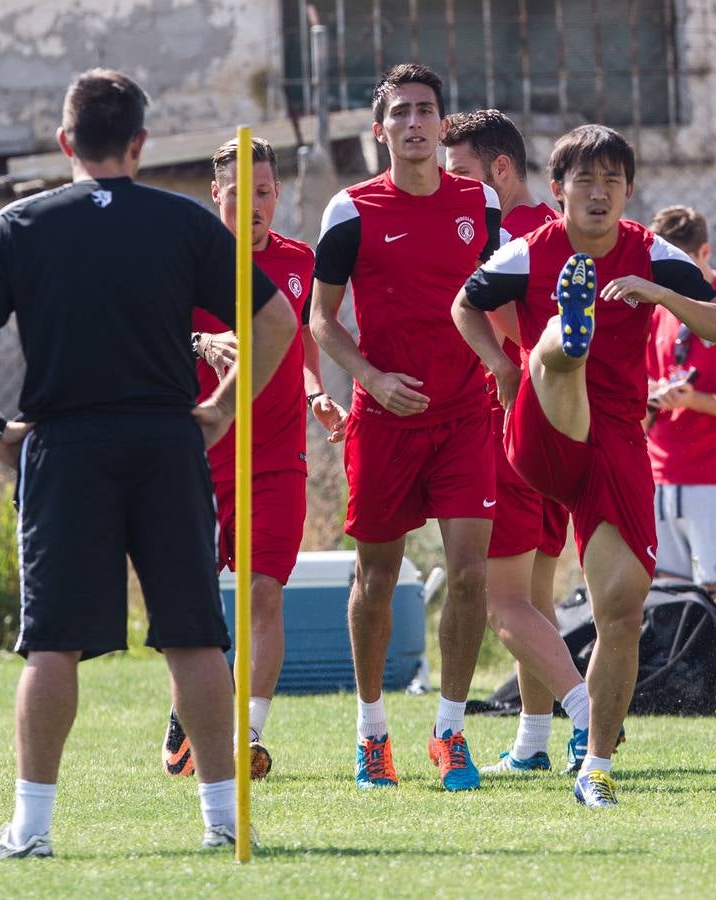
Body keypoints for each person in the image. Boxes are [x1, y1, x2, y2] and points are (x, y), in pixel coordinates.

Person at [0, 68, 297, 860]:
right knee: (194, 636)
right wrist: (222, 410)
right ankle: (225, 820)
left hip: (66, 448)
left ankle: (31, 830)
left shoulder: (20, 224)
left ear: (66, 143)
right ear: (139, 144)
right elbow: (276, 322)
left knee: (52, 643)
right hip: (167, 442)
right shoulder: (184, 224)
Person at [453, 125, 716, 807]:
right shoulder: (528, 251)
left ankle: (596, 768)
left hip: (615, 443)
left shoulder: (653, 252)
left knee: (620, 609)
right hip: (543, 430)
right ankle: (566, 332)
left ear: (629, 191)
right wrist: (499, 365)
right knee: (556, 356)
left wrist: (659, 292)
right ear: (558, 192)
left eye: (613, 181)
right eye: (585, 181)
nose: (599, 193)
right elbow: (465, 303)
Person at [308, 64, 502, 791]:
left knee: (472, 573)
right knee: (377, 576)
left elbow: (493, 296)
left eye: (426, 111)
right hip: (384, 421)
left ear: (441, 124)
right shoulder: (350, 211)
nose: (415, 123)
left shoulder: (478, 203)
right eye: (401, 113)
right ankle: (372, 734)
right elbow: (320, 319)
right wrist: (372, 380)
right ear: (380, 129)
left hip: (464, 417)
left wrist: (511, 370)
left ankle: (450, 731)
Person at [162, 136, 347, 782]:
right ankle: (188, 711)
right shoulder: (184, 263)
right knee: (190, 605)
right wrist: (199, 340)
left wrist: (319, 396)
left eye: (265, 193)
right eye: (242, 195)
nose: (256, 206)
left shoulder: (298, 265)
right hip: (199, 459)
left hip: (275, 459)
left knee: (264, 594)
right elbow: (150, 335)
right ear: (217, 196)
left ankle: (246, 735)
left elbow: (300, 354)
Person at [442, 109, 595, 775]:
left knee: (503, 604)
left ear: (501, 170)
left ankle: (592, 722)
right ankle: (534, 739)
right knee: (533, 597)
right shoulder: (564, 235)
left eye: (464, 176)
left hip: (513, 436)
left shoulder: (511, 245)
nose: (454, 190)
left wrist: (501, 361)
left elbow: (497, 323)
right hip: (565, 434)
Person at [644, 205, 716, 671]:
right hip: (661, 475)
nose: (673, 280)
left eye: (684, 266)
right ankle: (675, 679)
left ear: (705, 253)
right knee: (667, 591)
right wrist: (656, 398)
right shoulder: (659, 313)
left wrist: (694, 400)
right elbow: (643, 386)